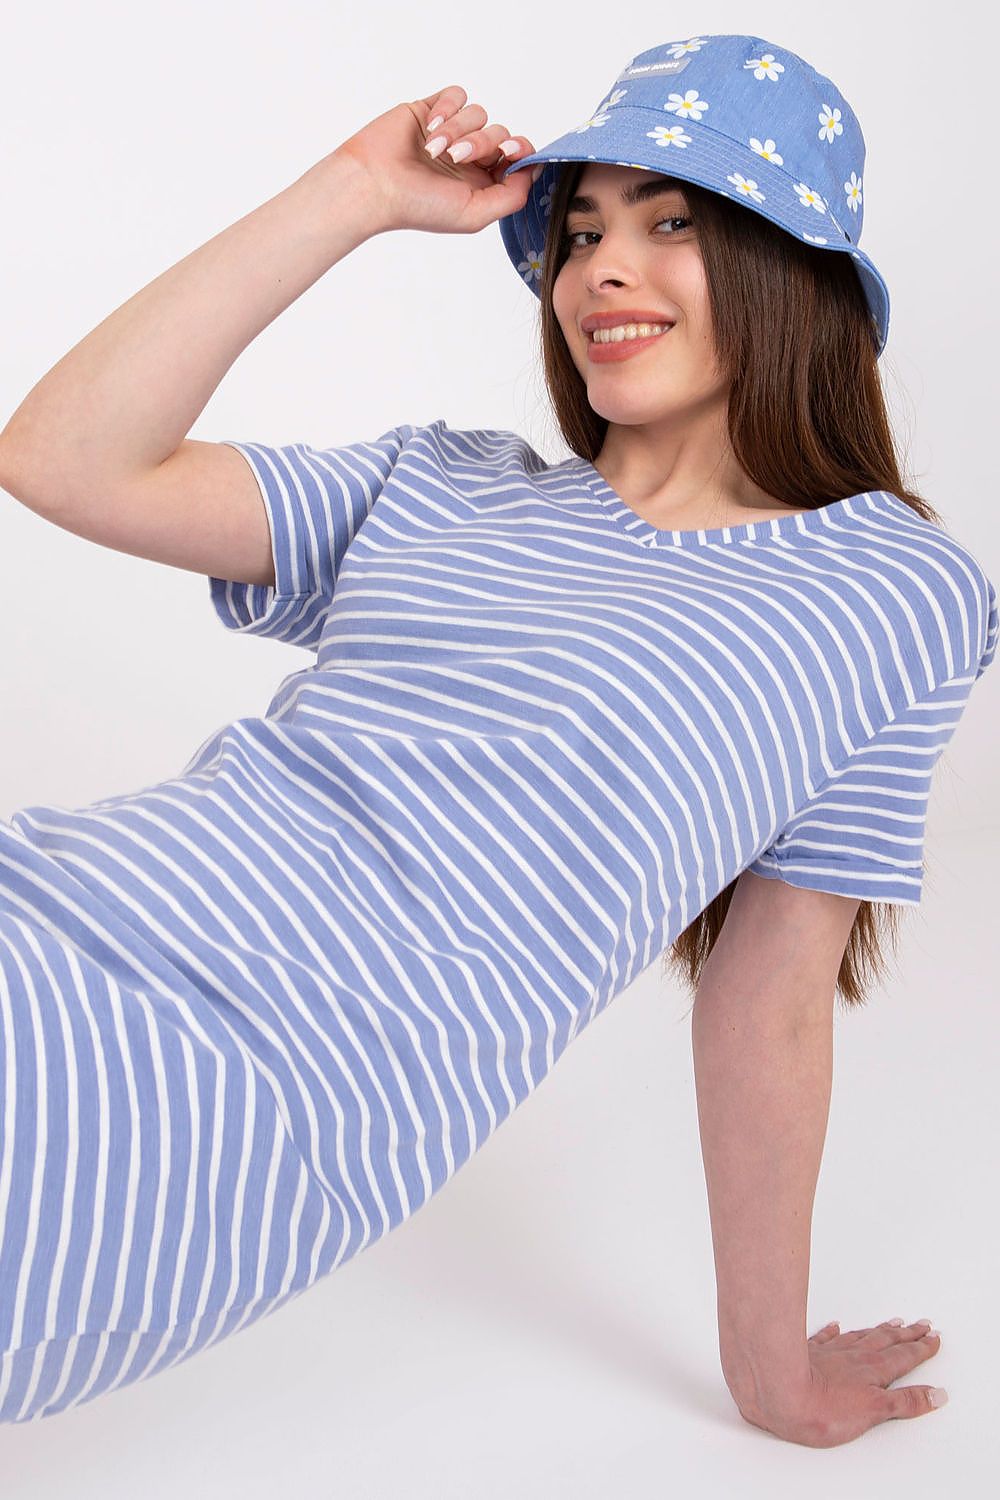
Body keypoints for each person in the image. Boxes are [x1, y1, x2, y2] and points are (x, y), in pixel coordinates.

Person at [0, 33, 993, 1446]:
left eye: (674, 224)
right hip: (51, 910)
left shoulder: (894, 593)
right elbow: (63, 459)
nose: (600, 267)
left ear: (794, 272)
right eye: (581, 227)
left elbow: (770, 995)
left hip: (216, 1112)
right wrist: (351, 191)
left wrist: (766, 1370)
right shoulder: (447, 484)